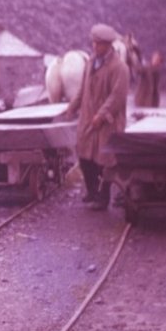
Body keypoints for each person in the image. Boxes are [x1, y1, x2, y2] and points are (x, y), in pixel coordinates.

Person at [65, 23, 130, 211]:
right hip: (87, 119)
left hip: (107, 123)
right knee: (85, 156)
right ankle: (92, 191)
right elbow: (82, 89)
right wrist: (72, 107)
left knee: (105, 160)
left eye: (99, 43)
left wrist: (101, 116)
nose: (94, 46)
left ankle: (103, 198)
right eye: (93, 42)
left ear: (108, 45)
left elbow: (116, 97)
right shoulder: (91, 62)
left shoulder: (119, 68)